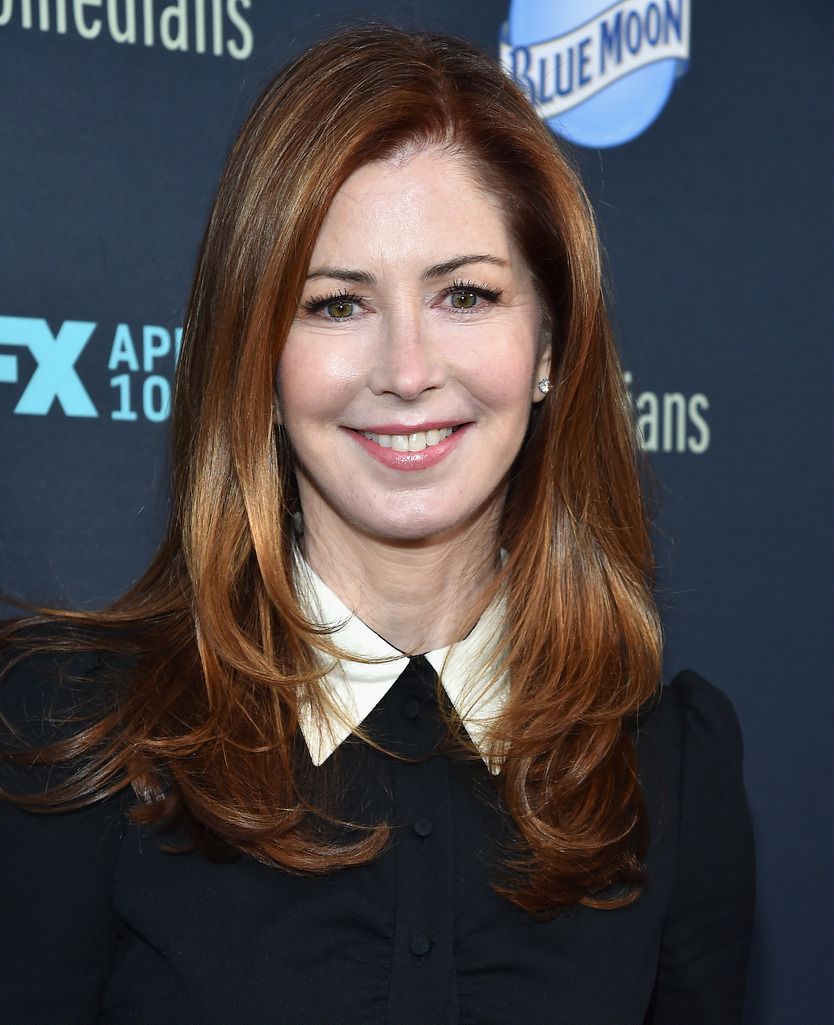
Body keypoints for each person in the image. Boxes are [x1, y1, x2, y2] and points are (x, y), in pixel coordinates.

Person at [0, 24, 754, 1025]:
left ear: (549, 349)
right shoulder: (69, 736)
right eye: (335, 305)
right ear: (256, 361)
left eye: (466, 294)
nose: (406, 369)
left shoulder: (671, 772)